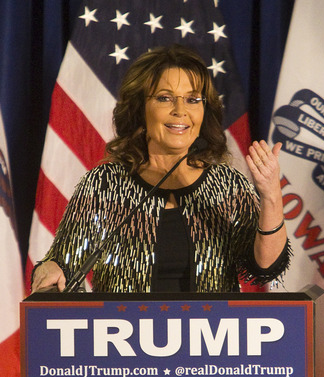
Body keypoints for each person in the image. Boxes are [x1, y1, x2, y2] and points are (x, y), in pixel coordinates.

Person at [31, 44, 291, 293]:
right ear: (140, 109)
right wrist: (50, 268)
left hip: (211, 336)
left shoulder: (227, 184)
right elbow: (62, 263)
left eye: (192, 99)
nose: (181, 111)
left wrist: (270, 195)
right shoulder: (105, 184)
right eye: (165, 98)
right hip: (123, 334)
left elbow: (266, 268)